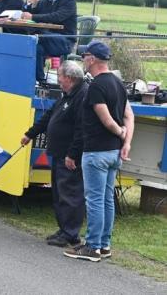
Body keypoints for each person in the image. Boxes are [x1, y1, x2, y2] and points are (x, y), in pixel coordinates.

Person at [64, 41, 134, 262]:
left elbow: (106, 120)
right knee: (106, 200)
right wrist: (126, 143)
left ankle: (92, 247)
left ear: (92, 59)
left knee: (94, 200)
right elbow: (129, 116)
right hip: (114, 152)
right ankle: (104, 245)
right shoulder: (118, 83)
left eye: (84, 56)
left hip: (96, 151)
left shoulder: (95, 87)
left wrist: (121, 134)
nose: (83, 59)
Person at [21, 61, 87, 247]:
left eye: (60, 77)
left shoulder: (81, 96)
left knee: (70, 194)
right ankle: (64, 229)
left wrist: (72, 154)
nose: (58, 81)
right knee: (58, 193)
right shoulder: (66, 95)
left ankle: (71, 234)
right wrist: (30, 134)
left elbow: (80, 129)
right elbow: (49, 116)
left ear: (70, 78)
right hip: (58, 152)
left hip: (69, 155)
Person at [21, 0, 77, 82]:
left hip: (65, 40)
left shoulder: (69, 1)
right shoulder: (43, 1)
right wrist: (28, 4)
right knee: (35, 47)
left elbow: (56, 17)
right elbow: (28, 14)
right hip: (46, 39)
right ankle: (39, 81)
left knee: (36, 37)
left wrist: (32, 16)